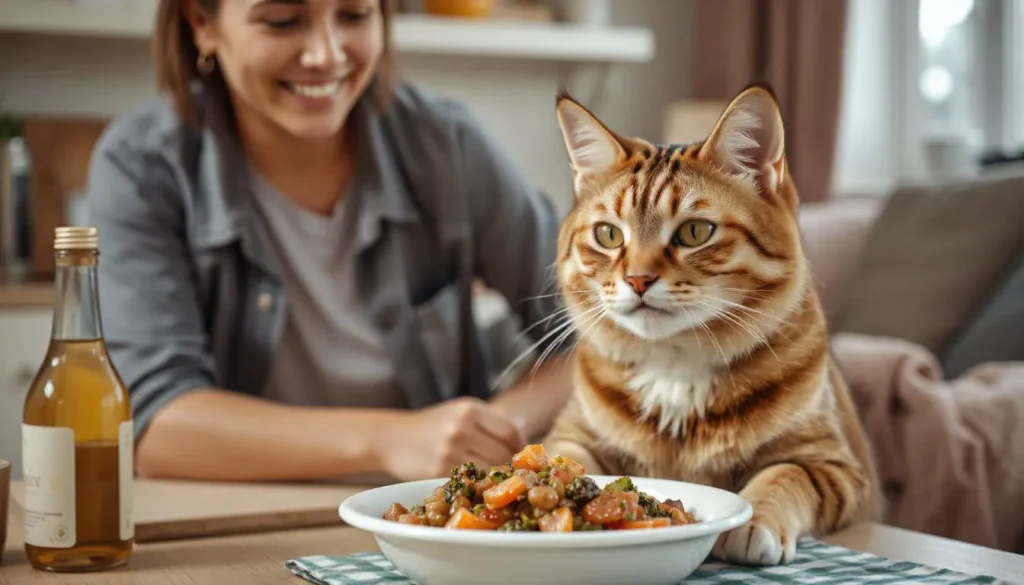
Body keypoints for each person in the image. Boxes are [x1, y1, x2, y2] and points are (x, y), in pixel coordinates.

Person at [85, 0, 573, 483]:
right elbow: (155, 426)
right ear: (202, 23)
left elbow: (606, 339)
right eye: (282, 21)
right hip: (237, 520)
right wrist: (389, 440)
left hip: (429, 521)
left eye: (355, 16)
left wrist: (496, 430)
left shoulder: (447, 143)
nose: (326, 54)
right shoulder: (142, 164)